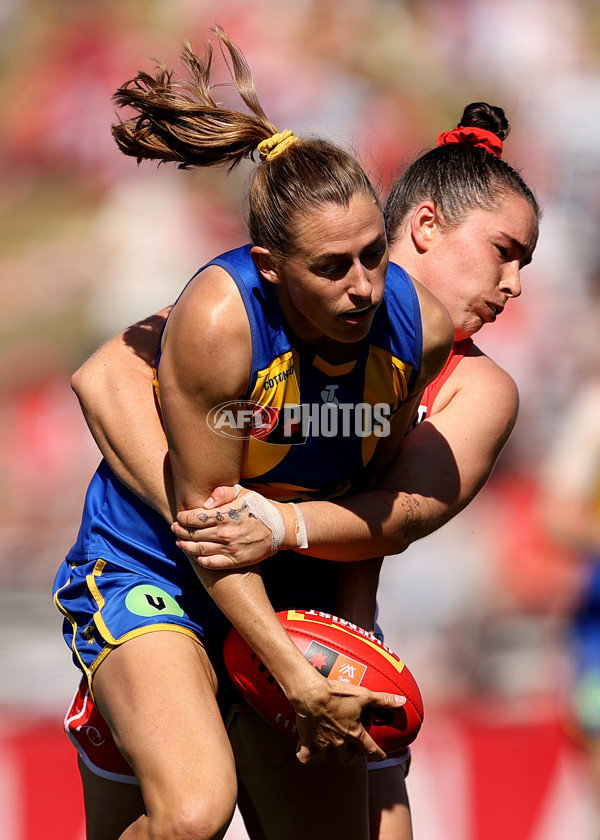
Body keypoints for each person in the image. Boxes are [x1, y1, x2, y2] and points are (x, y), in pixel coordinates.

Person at [63, 97, 540, 840]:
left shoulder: (444, 355)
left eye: (369, 259)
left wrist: (298, 578)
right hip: (160, 571)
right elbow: (105, 378)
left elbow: (389, 518)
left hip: (306, 605)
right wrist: (213, 526)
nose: (515, 284)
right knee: (194, 815)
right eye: (503, 250)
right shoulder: (228, 312)